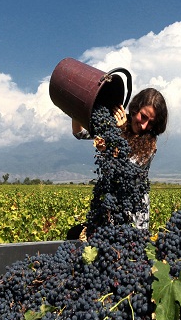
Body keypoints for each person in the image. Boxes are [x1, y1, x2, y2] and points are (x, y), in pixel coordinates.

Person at [71, 87, 168, 231]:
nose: (144, 125)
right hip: (110, 204)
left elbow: (126, 170)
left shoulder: (150, 143)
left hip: (134, 210)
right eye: (143, 116)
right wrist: (76, 108)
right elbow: (79, 133)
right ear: (135, 109)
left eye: (151, 122)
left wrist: (116, 136)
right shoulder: (115, 123)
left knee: (129, 241)